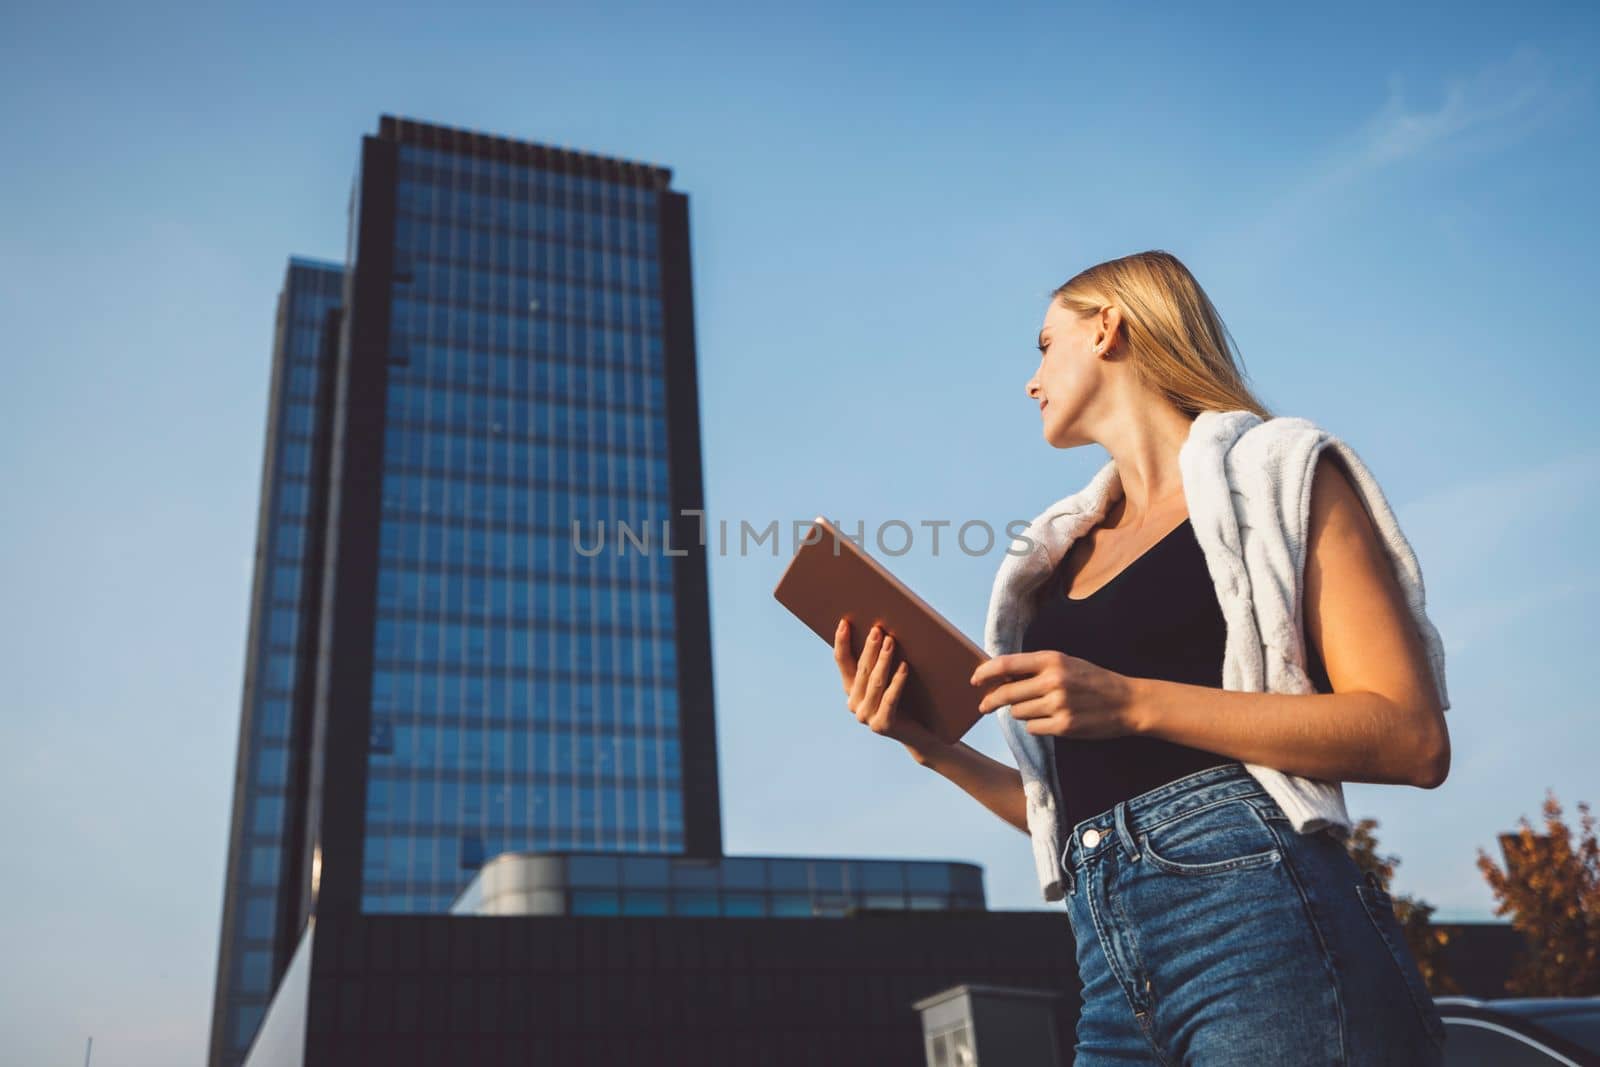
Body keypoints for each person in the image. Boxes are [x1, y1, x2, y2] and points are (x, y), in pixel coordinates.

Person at [830, 250, 1451, 1064]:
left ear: (1109, 327)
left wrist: (1130, 701)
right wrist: (932, 746)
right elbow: (1077, 812)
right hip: (1107, 962)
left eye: (1044, 343)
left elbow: (1411, 737)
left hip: (1264, 929)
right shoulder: (1056, 558)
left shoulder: (1278, 472)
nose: (1031, 379)